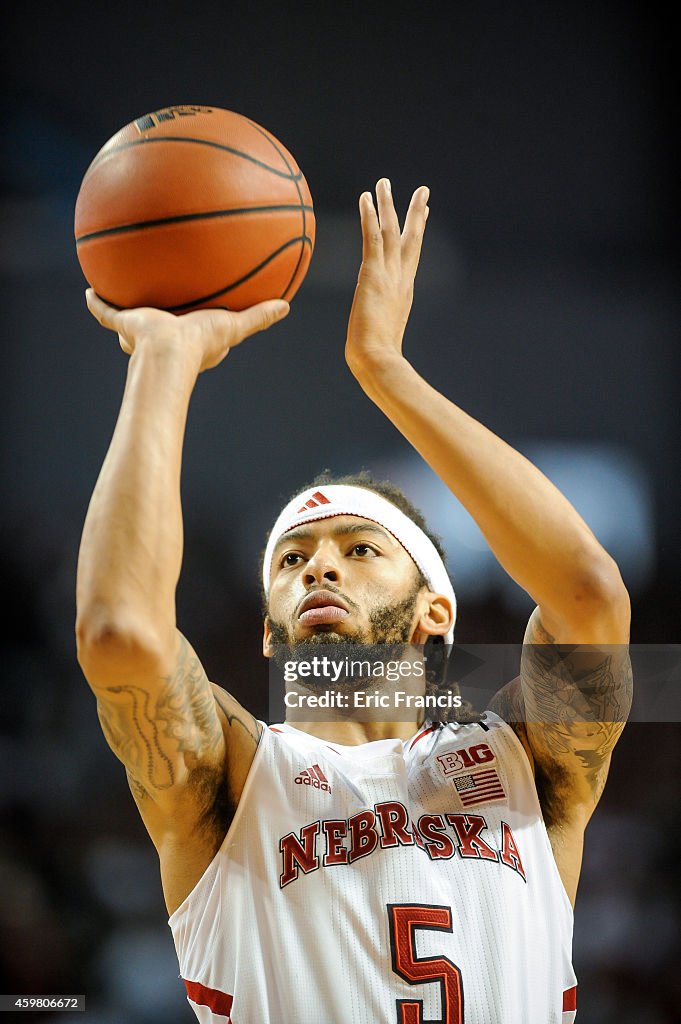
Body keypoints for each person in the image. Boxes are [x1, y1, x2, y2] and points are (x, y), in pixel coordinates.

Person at [76, 179, 632, 1023]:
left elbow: (587, 591)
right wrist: (164, 358)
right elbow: (119, 634)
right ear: (268, 636)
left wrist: (386, 372)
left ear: (432, 612)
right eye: (292, 558)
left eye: (359, 550)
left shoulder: (526, 766)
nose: (317, 569)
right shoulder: (231, 780)